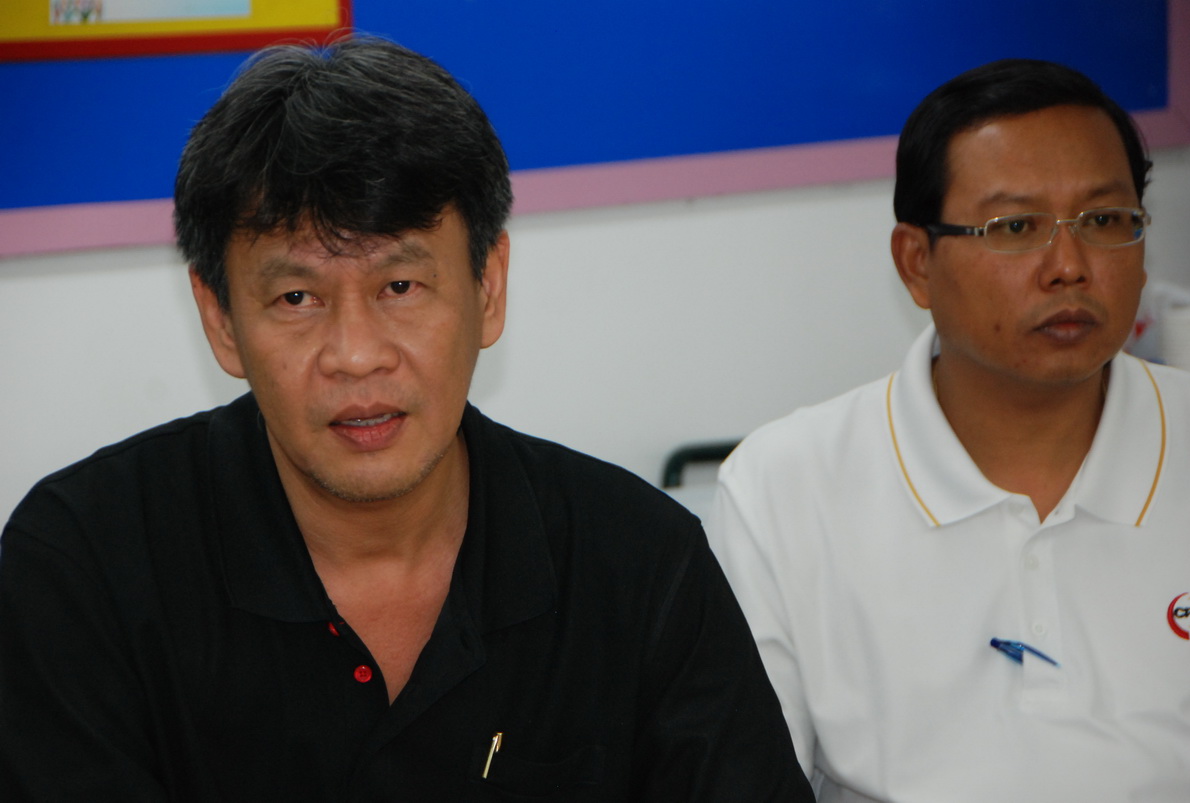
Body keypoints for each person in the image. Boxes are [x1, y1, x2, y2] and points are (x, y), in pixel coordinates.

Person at [0, 36, 812, 802]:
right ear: (221, 320)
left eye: (400, 286)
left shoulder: (639, 563)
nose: (356, 355)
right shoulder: (82, 569)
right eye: (297, 297)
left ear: (488, 287)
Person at [708, 58, 1190, 802]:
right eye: (1016, 228)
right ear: (917, 263)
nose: (1069, 266)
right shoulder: (781, 488)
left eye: (1104, 221)